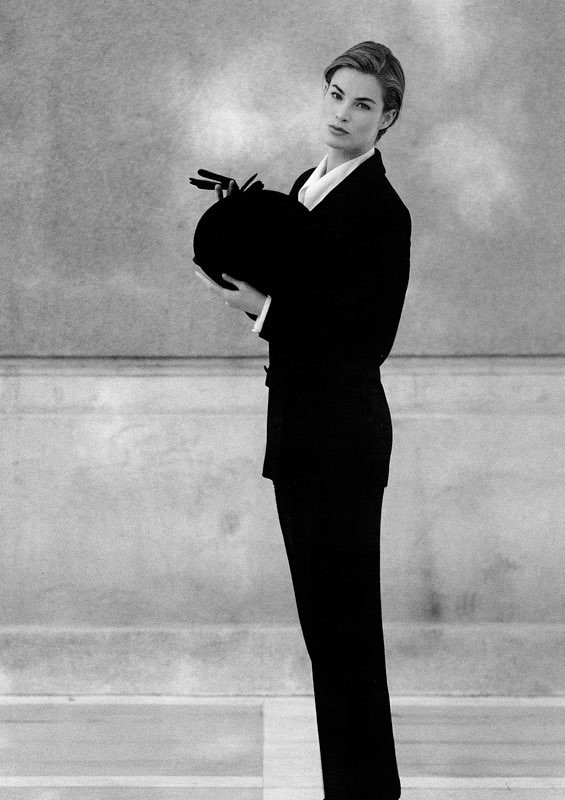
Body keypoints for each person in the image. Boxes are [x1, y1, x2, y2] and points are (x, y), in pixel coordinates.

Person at [195, 40, 410, 800]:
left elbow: (368, 338)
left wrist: (265, 311)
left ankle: (366, 793)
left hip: (345, 441)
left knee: (347, 634)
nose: (343, 114)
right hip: (298, 435)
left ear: (386, 120)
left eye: (363, 104)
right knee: (326, 636)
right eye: (336, 95)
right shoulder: (302, 187)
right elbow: (304, 289)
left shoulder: (383, 212)